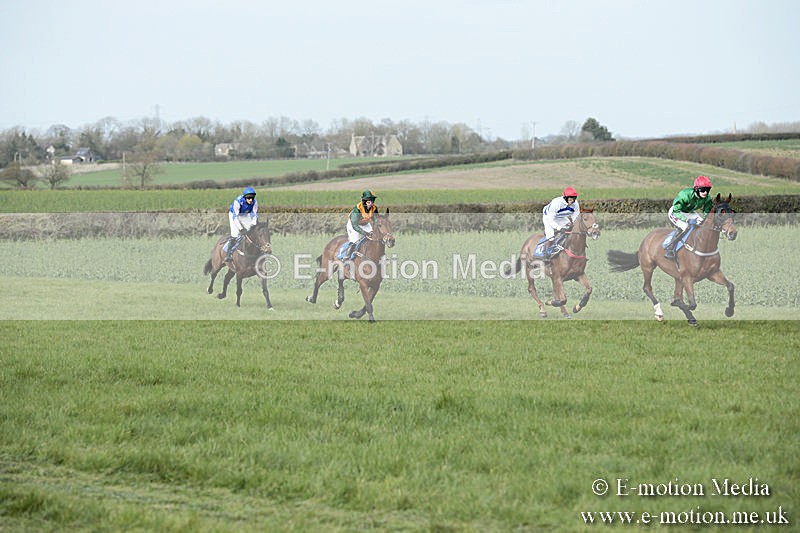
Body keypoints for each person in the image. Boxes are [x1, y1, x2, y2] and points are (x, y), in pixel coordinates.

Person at [664, 175, 713, 258]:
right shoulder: (685, 195)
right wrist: (686, 220)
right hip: (676, 212)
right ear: (696, 189)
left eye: (708, 190)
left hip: (689, 212)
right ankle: (671, 248)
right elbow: (676, 211)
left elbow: (706, 211)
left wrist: (706, 220)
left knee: (702, 225)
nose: (705, 192)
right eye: (703, 190)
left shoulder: (707, 198)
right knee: (686, 227)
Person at [541, 186, 580, 260]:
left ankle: (565, 245)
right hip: (548, 217)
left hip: (560, 217)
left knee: (570, 228)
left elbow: (576, 218)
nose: (572, 201)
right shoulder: (556, 203)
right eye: (570, 198)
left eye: (574, 198)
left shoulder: (575, 204)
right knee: (551, 236)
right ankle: (547, 252)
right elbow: (550, 219)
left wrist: (576, 226)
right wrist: (559, 228)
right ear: (565, 198)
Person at [224, 186, 259, 262]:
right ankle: (228, 254)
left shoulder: (255, 202)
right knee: (235, 234)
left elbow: (255, 214)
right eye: (249, 198)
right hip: (234, 215)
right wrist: (241, 228)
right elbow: (235, 217)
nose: (251, 200)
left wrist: (253, 225)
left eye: (252, 198)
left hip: (245, 215)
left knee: (252, 231)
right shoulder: (238, 201)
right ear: (245, 197)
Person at [341, 189, 378, 259]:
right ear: (364, 202)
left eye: (372, 202)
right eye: (369, 202)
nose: (371, 204)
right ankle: (347, 257)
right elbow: (355, 226)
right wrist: (365, 233)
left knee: (374, 236)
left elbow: (376, 219)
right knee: (355, 241)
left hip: (365, 223)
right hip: (353, 225)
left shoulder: (374, 208)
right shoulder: (357, 209)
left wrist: (376, 228)